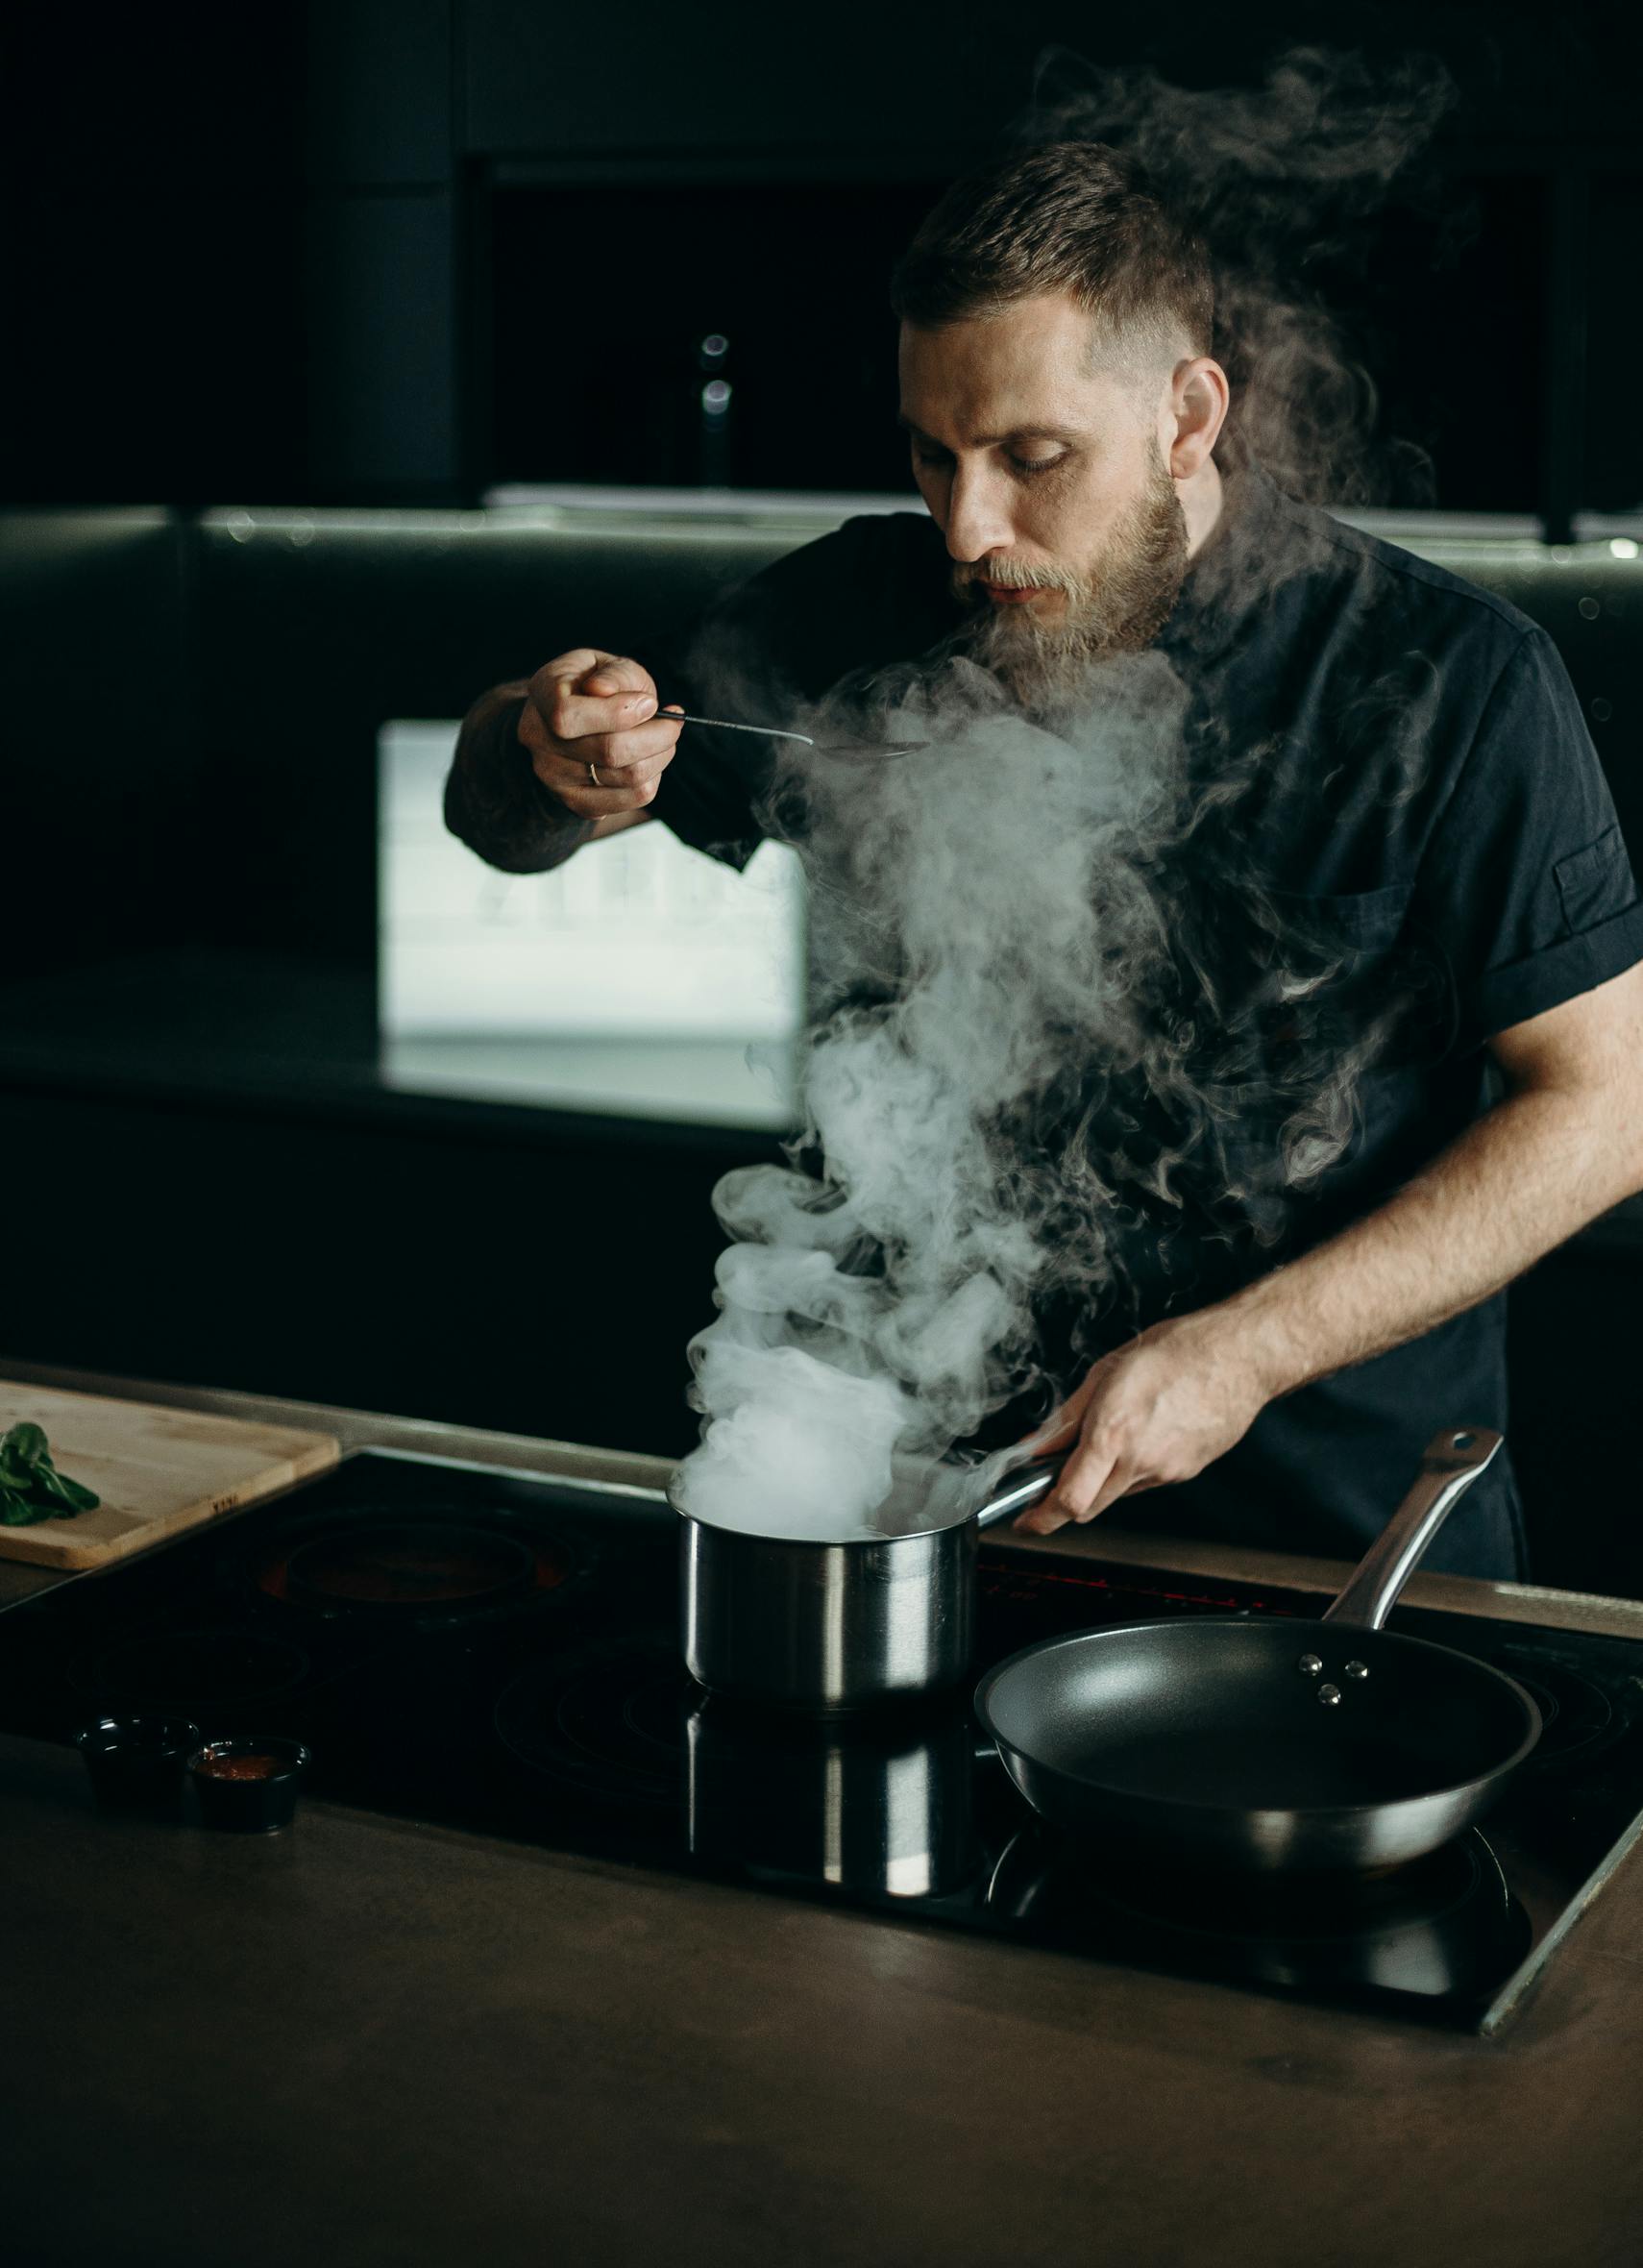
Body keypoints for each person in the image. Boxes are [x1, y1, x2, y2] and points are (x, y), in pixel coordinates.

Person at [444, 143, 1643, 1581]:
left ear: (1187, 414)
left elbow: (1609, 1107)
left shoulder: (1444, 681)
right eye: (932, 454)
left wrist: (1241, 1352)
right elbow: (505, 827)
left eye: (1033, 458)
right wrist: (540, 744)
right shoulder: (851, 612)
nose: (969, 528)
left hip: (1332, 1552)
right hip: (918, 1513)